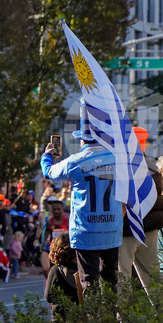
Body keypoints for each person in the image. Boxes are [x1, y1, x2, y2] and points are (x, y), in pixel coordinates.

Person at [40, 112, 124, 292]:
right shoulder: (117, 159)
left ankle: (93, 319)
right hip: (111, 229)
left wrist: (47, 156)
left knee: (89, 282)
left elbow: (49, 172)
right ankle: (110, 318)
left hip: (86, 232)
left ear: (83, 140)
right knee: (110, 281)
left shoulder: (75, 162)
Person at [117, 127, 163, 294]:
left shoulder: (124, 168)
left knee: (121, 276)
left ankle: (122, 318)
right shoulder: (154, 167)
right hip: (150, 230)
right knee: (153, 275)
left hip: (126, 231)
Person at [44, 233, 81, 323]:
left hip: (60, 316)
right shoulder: (82, 270)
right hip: (79, 314)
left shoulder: (55, 270)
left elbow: (48, 297)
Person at [39, 197, 69, 278]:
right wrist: (43, 246)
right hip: (52, 248)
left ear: (62, 209)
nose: (56, 211)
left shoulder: (68, 220)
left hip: (65, 250)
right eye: (54, 209)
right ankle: (49, 282)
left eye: (58, 209)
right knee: (46, 268)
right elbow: (45, 235)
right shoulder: (49, 222)